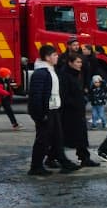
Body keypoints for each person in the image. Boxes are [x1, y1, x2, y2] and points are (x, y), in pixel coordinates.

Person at [28, 45, 78, 175]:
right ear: (47, 57)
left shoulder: (50, 70)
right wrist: (41, 115)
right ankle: (36, 167)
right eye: (55, 55)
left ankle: (63, 162)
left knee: (58, 138)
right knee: (42, 139)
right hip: (46, 112)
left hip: (54, 110)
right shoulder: (41, 73)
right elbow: (36, 96)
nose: (57, 57)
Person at [57, 50, 99, 167]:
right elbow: (64, 95)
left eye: (81, 62)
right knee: (65, 136)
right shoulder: (65, 76)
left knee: (79, 136)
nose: (80, 64)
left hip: (77, 111)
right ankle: (54, 157)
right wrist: (75, 103)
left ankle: (84, 157)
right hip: (70, 112)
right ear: (70, 63)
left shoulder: (75, 74)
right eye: (77, 62)